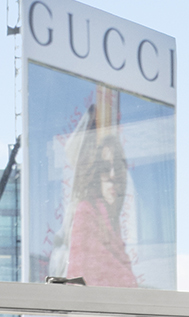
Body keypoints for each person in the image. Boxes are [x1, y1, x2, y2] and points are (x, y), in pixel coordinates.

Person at [56, 115, 137, 286]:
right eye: (106, 168)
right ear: (97, 175)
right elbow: (83, 276)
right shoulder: (86, 212)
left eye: (119, 167)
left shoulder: (112, 221)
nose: (113, 175)